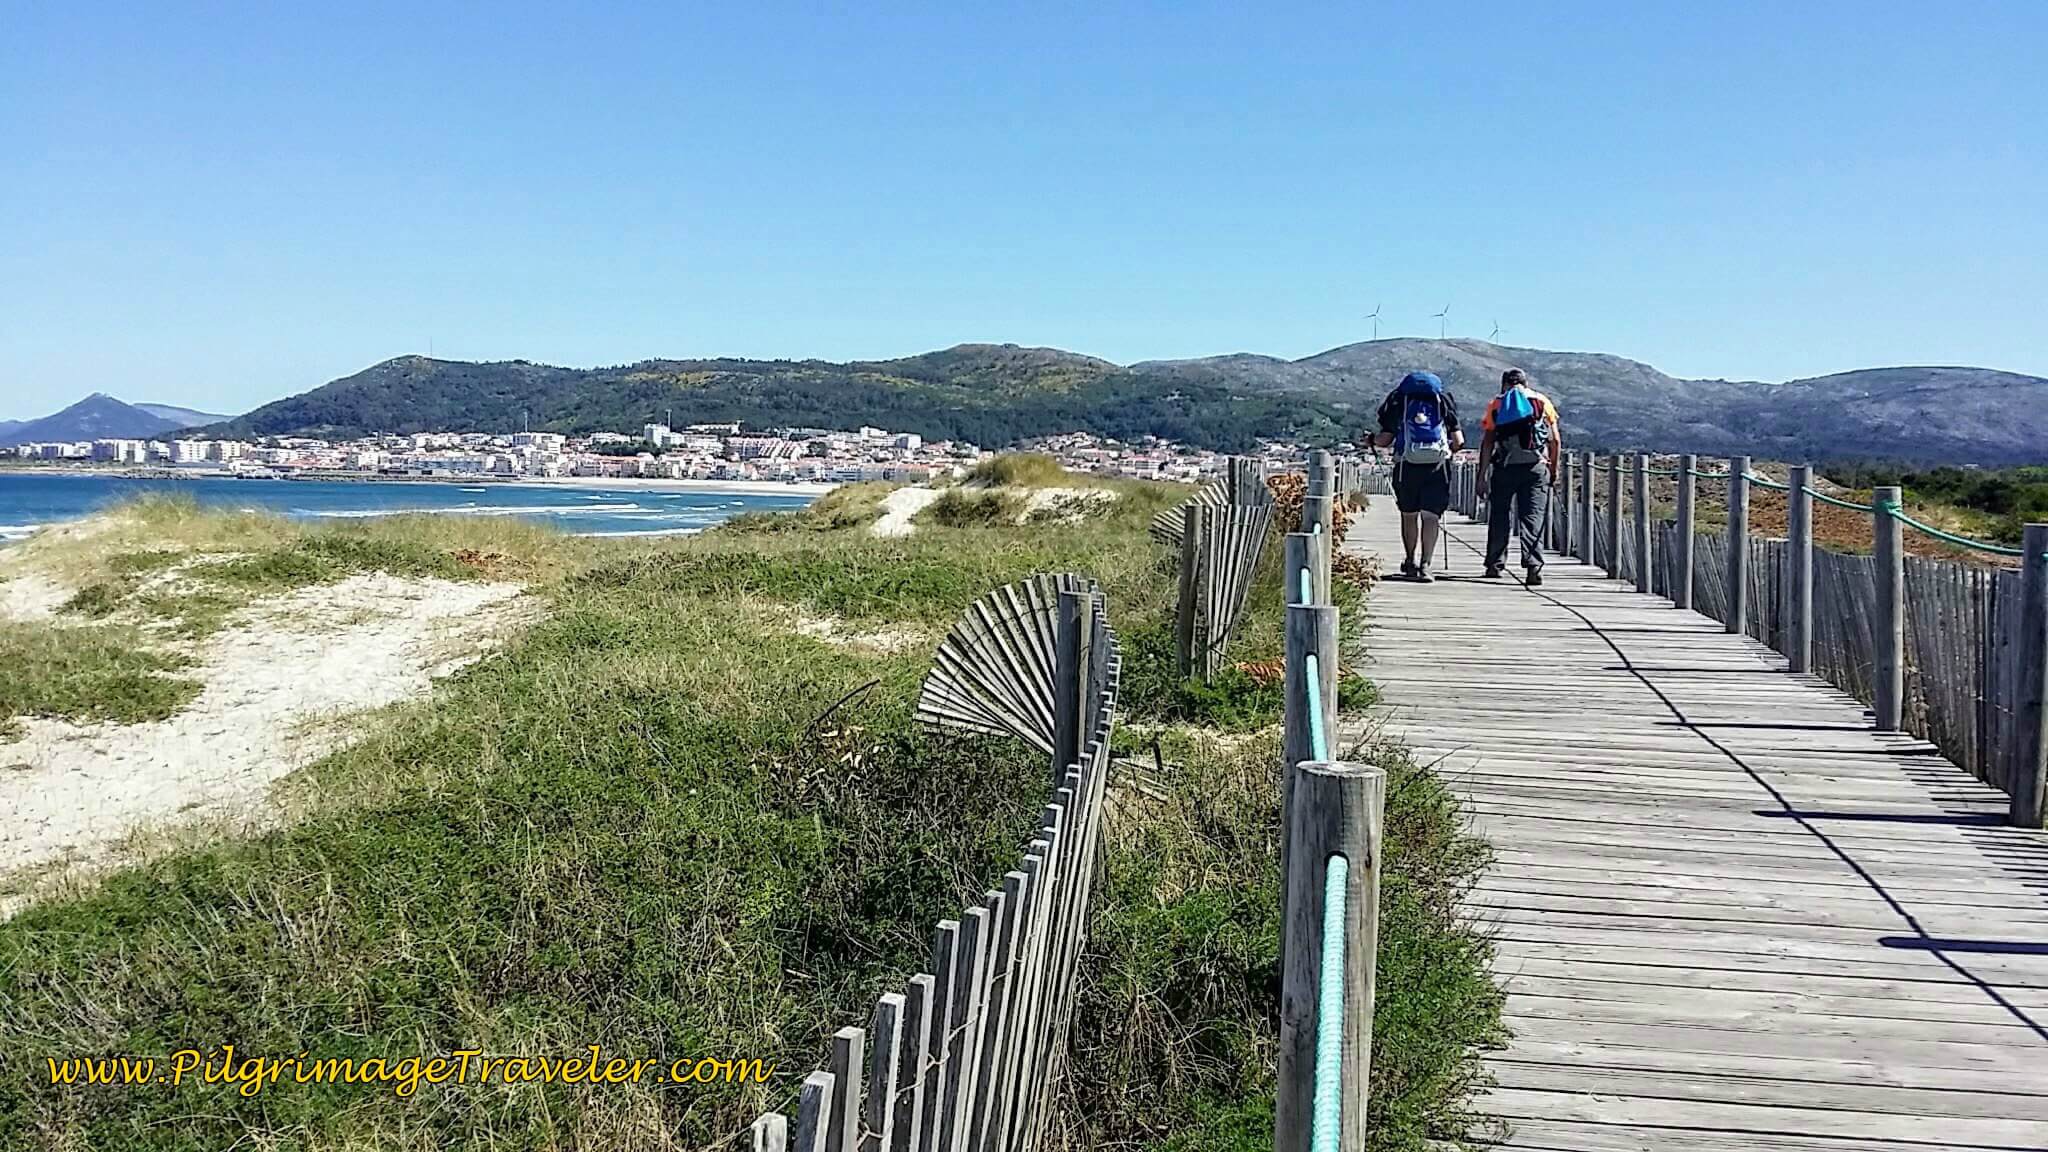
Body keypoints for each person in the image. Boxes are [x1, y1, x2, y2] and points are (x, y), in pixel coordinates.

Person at [1371, 370, 1463, 582]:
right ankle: (1426, 565)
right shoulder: (1443, 402)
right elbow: (1458, 441)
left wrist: (1371, 440)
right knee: (1431, 516)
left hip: (1407, 465)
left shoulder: (1399, 401)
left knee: (1409, 514)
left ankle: (1410, 560)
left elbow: (1384, 440)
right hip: (1438, 466)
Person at [1476, 368, 1562, 585]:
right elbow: (1555, 440)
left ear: (1504, 384)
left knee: (1499, 515)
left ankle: (1495, 565)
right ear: (1526, 382)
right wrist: (1553, 469)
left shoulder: (1496, 403)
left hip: (1505, 467)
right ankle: (1533, 565)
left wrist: (1482, 475)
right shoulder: (1542, 402)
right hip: (1535, 468)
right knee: (1532, 518)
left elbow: (1487, 442)